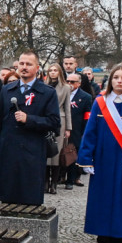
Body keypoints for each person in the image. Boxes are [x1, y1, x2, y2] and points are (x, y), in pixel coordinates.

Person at [78, 64, 122, 243]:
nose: (119, 81)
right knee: (102, 198)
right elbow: (90, 133)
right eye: (116, 78)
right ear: (110, 80)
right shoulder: (100, 102)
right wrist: (86, 159)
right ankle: (104, 239)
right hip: (102, 159)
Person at [0, 51, 61, 206]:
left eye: (29, 64)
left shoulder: (47, 92)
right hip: (8, 150)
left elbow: (54, 122)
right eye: (21, 63)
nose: (24, 67)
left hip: (32, 151)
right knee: (7, 195)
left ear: (37, 68)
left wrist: (30, 119)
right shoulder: (7, 90)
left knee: (29, 197)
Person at [44, 63, 73, 194]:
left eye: (55, 70)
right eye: (51, 70)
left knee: (56, 152)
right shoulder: (43, 86)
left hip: (60, 120)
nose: (53, 72)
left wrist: (68, 127)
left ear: (60, 72)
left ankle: (54, 183)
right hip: (45, 120)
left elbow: (67, 108)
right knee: (45, 151)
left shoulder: (66, 87)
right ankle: (45, 182)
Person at [65, 72, 93, 190]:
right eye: (68, 81)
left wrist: (84, 131)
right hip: (63, 126)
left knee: (72, 153)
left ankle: (70, 180)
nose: (69, 84)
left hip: (77, 128)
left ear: (79, 83)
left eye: (73, 82)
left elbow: (87, 116)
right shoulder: (62, 93)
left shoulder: (86, 97)